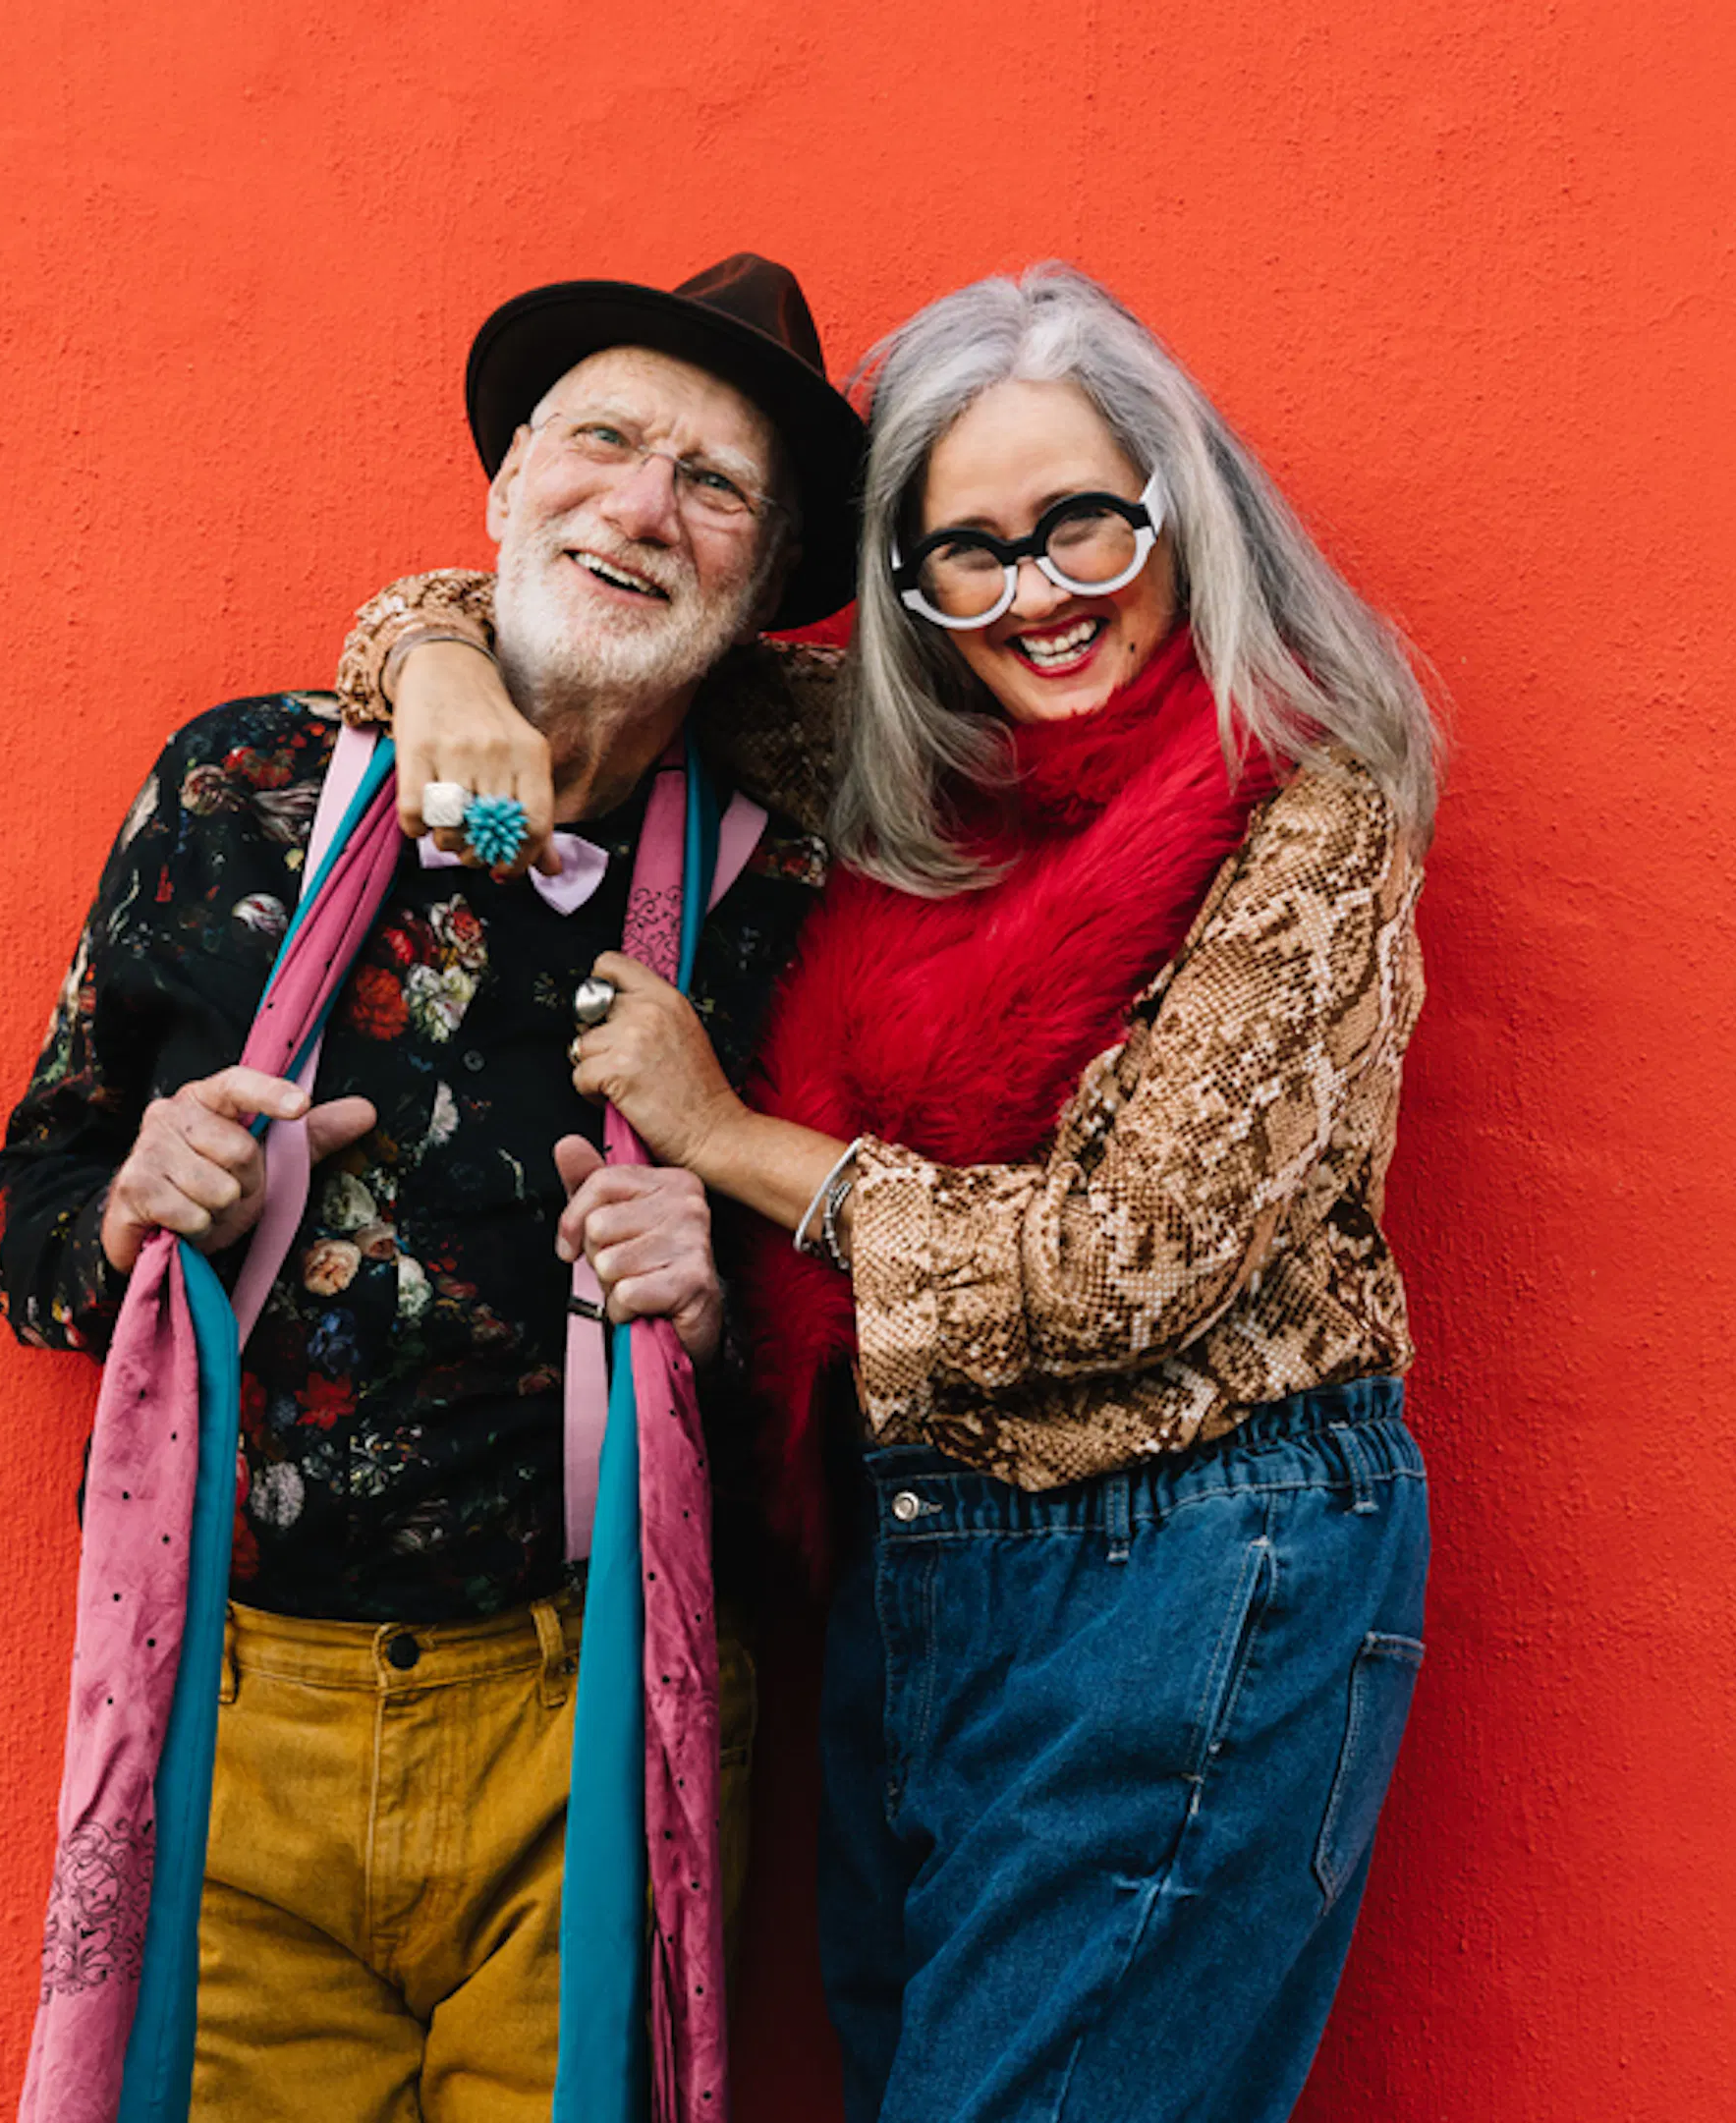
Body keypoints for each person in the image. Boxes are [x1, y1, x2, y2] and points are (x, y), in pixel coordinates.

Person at [333, 262, 1442, 2123]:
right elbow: (574, 641)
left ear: (1180, 505)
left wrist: (727, 1140)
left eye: (1082, 524)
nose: (1039, 597)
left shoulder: (1303, 804)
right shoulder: (909, 762)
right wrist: (441, 671)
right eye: (970, 555)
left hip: (1193, 1558)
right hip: (912, 1571)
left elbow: (1127, 1261)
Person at [0, 253, 861, 2123]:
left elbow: (856, 1389)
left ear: (770, 579)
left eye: (714, 484)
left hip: (590, 1729)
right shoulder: (241, 788)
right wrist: (129, 1206)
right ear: (510, 478)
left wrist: (717, 1308)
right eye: (604, 439)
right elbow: (26, 1209)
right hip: (236, 1724)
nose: (643, 506)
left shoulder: (792, 900)